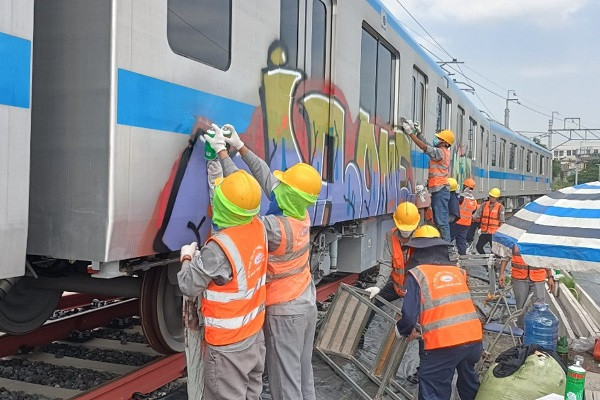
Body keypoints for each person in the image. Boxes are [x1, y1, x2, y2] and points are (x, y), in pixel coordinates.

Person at [205, 124, 321, 400]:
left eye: (284, 185)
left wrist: (221, 156)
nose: (277, 185)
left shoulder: (273, 229)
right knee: (304, 379)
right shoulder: (300, 215)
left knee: (285, 385)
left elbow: (241, 205)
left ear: (289, 195)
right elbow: (267, 180)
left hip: (286, 313)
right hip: (306, 304)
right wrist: (240, 148)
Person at [178, 169, 267, 400]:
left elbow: (188, 285)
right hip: (254, 337)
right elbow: (241, 198)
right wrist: (217, 160)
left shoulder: (218, 250)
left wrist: (187, 258)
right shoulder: (258, 226)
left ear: (223, 207)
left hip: (228, 348)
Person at [395, 225, 483, 400]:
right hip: (473, 340)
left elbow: (409, 316)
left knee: (434, 389)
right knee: (468, 384)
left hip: (444, 345)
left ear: (416, 251)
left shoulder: (417, 274)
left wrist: (402, 330)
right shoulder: (458, 272)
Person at [360, 202, 420, 342]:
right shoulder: (390, 236)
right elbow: (387, 263)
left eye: (408, 229)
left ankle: (425, 355)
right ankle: (360, 338)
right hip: (397, 286)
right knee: (374, 301)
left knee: (420, 320)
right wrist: (378, 286)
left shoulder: (421, 237)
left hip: (415, 290)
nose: (405, 232)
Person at [401, 119, 454, 243]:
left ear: (444, 142)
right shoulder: (442, 152)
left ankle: (447, 247)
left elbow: (424, 147)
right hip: (439, 190)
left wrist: (410, 133)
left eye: (439, 138)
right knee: (439, 220)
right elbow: (429, 146)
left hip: (440, 191)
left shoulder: (440, 153)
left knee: (441, 221)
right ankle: (445, 244)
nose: (437, 139)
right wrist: (419, 134)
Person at [498, 244, 554, 327]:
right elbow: (506, 256)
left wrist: (550, 277)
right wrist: (501, 273)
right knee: (521, 307)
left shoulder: (540, 240)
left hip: (538, 277)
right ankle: (522, 330)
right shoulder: (514, 241)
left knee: (539, 306)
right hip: (519, 277)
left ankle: (536, 330)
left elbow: (546, 259)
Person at [450, 178, 478, 255]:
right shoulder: (474, 201)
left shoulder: (462, 198)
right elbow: (474, 211)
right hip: (466, 224)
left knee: (448, 238)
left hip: (457, 222)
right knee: (461, 241)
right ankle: (463, 257)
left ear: (465, 187)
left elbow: (454, 206)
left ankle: (443, 255)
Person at [473, 188, 505, 254]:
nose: (491, 198)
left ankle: (493, 262)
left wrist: (500, 233)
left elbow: (502, 221)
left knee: (494, 250)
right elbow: (476, 215)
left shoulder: (500, 207)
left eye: (493, 197)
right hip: (484, 232)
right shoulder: (484, 205)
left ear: (496, 198)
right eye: (490, 196)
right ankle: (486, 261)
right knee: (479, 246)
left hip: (493, 234)